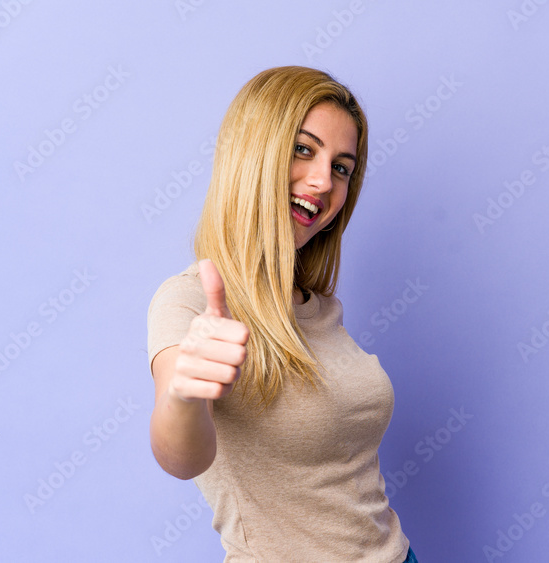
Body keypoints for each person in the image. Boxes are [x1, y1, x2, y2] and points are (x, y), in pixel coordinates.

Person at [146, 66, 418, 563]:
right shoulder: (187, 302)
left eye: (342, 167)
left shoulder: (319, 308)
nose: (322, 181)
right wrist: (184, 395)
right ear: (253, 152)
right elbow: (180, 456)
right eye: (303, 149)